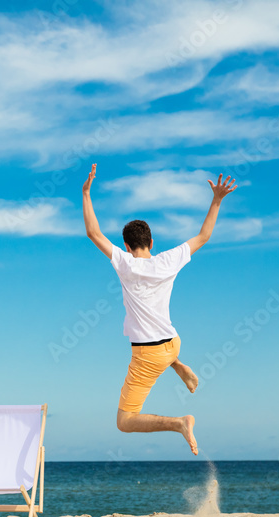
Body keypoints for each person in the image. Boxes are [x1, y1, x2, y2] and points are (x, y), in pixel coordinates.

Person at [81, 163, 238, 455]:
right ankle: (177, 364)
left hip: (148, 354)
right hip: (173, 342)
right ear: (151, 242)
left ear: (127, 246)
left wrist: (86, 192)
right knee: (168, 351)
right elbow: (203, 236)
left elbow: (93, 232)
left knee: (124, 421)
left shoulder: (124, 263)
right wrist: (217, 199)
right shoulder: (168, 260)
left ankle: (179, 422)